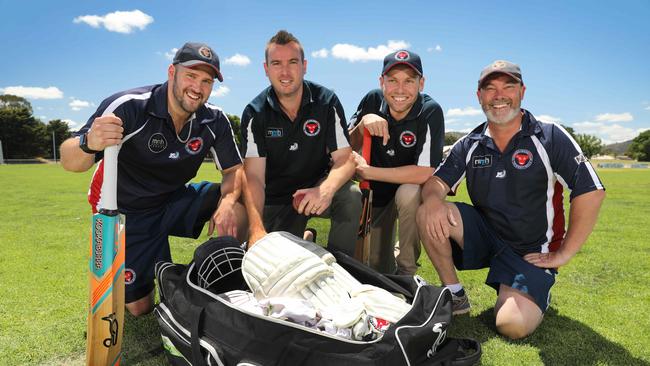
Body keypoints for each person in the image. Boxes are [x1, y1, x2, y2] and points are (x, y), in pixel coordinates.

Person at [416, 60, 606, 339]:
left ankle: (536, 289)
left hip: (530, 252)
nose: (499, 95)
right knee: (427, 211)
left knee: (511, 326)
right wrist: (432, 200)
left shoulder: (549, 135)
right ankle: (455, 294)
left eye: (508, 86)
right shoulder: (470, 142)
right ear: (479, 96)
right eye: (490, 88)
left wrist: (564, 252)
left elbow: (590, 190)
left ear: (522, 91)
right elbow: (436, 182)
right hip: (487, 238)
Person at [60, 42, 247, 316]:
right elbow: (69, 160)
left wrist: (229, 201)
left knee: (239, 205)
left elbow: (234, 171)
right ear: (172, 72)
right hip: (128, 211)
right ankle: (166, 274)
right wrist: (90, 142)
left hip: (173, 199)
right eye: (191, 76)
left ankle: (231, 279)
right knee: (140, 308)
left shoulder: (214, 120)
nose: (198, 87)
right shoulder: (129, 106)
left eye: (206, 81)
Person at [240, 30, 361, 256]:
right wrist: (256, 229)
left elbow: (345, 159)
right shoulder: (255, 112)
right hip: (275, 197)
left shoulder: (326, 101)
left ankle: (344, 269)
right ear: (266, 69)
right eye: (276, 63)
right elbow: (254, 176)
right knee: (276, 258)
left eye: (292, 62)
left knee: (351, 196)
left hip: (314, 188)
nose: (285, 72)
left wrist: (324, 190)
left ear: (304, 66)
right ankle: (306, 238)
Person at [348, 50, 444, 275]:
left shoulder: (430, 110)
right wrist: (362, 125)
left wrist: (368, 172)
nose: (400, 90)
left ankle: (407, 272)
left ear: (422, 83)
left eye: (409, 81)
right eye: (392, 81)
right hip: (376, 197)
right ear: (382, 82)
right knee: (375, 268)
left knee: (409, 192)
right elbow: (344, 146)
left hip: (408, 193)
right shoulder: (372, 99)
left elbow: (423, 173)